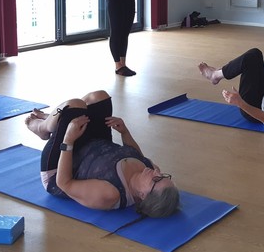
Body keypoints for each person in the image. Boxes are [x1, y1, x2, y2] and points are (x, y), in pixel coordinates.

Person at [25, 90, 179, 218]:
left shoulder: (109, 194)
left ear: (143, 195)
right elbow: (137, 155)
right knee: (99, 97)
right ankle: (56, 120)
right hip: (95, 144)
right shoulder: (149, 169)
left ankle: (43, 128)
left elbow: (64, 184)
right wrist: (125, 132)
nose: (157, 172)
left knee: (73, 105)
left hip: (61, 164)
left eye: (156, 180)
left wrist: (68, 140)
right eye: (164, 175)